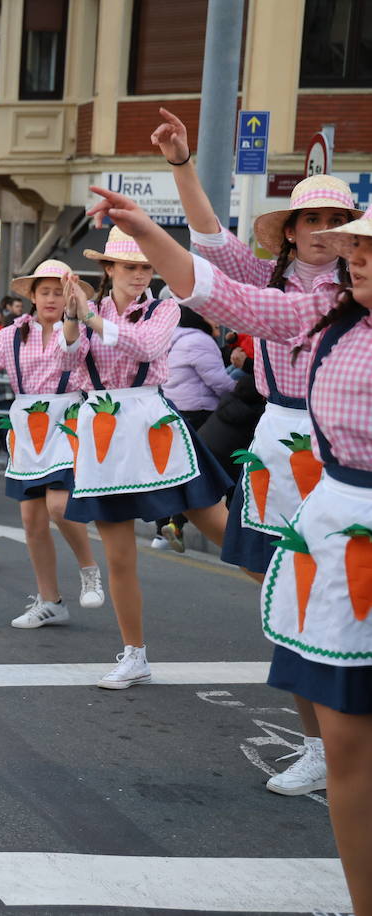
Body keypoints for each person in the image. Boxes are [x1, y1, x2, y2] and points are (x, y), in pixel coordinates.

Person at [87, 186, 372, 916]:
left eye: (360, 240)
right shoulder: (321, 310)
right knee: (341, 724)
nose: (353, 255)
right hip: (325, 507)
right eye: (352, 245)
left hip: (341, 506)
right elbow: (222, 289)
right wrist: (147, 224)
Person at [155, 110, 358, 797]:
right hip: (278, 437)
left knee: (333, 599)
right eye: (313, 221)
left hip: (346, 454)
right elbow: (208, 241)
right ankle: (318, 744)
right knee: (288, 598)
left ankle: (338, 741)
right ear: (293, 231)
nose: (326, 234)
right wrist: (183, 164)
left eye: (340, 222)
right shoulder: (270, 284)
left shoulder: (356, 292)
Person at [57, 225, 233, 688]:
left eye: (146, 267)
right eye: (131, 266)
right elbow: (65, 364)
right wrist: (74, 318)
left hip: (152, 421)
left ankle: (300, 608)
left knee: (225, 531)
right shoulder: (88, 311)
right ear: (108, 267)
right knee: (118, 556)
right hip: (103, 430)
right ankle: (134, 655)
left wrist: (90, 320)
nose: (140, 275)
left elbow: (148, 347)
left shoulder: (165, 307)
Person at [0, 260, 104, 626]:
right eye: (45, 292)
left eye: (59, 292)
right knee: (31, 520)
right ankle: (50, 600)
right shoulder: (12, 334)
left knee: (59, 505)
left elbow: (70, 354)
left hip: (67, 419)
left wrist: (73, 319)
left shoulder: (77, 330)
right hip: (26, 424)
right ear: (33, 296)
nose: (52, 298)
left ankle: (89, 570)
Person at [154, 306, 235, 550]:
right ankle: (190, 525)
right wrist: (242, 389)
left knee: (176, 472)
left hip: (175, 410)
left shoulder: (174, 338)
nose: (218, 320)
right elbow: (218, 381)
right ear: (199, 315)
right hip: (201, 413)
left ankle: (164, 530)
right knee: (208, 473)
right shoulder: (199, 340)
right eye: (212, 314)